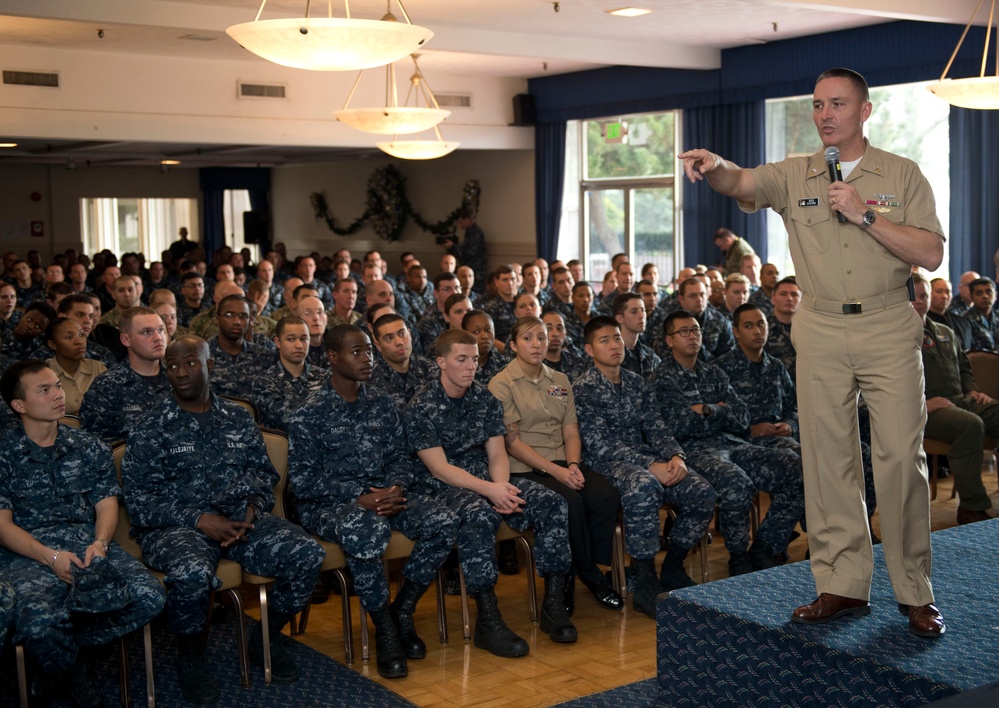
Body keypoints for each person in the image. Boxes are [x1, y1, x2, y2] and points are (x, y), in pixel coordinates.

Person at [680, 67, 945, 636]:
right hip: (821, 326)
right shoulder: (795, 172)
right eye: (819, 105)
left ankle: (913, 590)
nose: (825, 114)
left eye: (838, 104)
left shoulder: (901, 173)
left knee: (900, 457)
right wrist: (715, 165)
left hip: (887, 323)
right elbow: (742, 183)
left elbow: (930, 253)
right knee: (827, 458)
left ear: (864, 112)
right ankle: (842, 585)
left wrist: (865, 214)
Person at [122, 336, 324, 702]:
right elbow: (139, 502)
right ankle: (191, 656)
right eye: (173, 366)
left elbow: (265, 477)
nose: (181, 372)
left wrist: (250, 510)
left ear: (209, 366)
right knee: (191, 574)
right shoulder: (152, 426)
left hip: (241, 522)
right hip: (177, 527)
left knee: (307, 553)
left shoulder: (237, 417)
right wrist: (200, 519)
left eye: (191, 363)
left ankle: (264, 637)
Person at [287, 324, 458, 678]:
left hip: (386, 497)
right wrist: (359, 498)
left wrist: (395, 487)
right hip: (330, 506)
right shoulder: (309, 412)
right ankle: (385, 630)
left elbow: (400, 456)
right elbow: (303, 482)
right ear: (332, 358)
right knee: (365, 532)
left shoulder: (381, 402)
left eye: (368, 350)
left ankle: (402, 611)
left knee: (443, 521)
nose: (366, 358)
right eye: (356, 352)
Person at [0, 360, 165, 706]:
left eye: (58, 386)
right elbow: (3, 526)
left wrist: (100, 543)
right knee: (40, 624)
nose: (58, 395)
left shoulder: (88, 445)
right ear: (19, 405)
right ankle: (72, 678)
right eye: (44, 390)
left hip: (85, 540)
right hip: (27, 550)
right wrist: (51, 558)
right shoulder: (3, 452)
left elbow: (106, 505)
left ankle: (57, 658)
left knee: (149, 596)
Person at [404, 329, 575, 654]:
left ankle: (554, 604)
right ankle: (487, 618)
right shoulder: (422, 406)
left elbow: (497, 454)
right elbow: (439, 468)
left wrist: (501, 487)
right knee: (478, 514)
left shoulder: (483, 398)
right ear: (441, 362)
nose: (471, 366)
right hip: (440, 487)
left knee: (552, 502)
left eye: (475, 359)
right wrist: (491, 491)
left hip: (486, 479)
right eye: (461, 359)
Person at [573, 317, 716, 616]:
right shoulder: (584, 388)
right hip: (605, 464)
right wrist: (651, 464)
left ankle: (673, 565)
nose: (614, 345)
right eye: (604, 341)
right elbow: (600, 444)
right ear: (588, 349)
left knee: (702, 491)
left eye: (616, 338)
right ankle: (645, 578)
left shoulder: (637, 382)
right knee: (644, 486)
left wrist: (676, 457)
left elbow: (657, 427)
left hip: (645, 459)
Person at [651, 310, 804, 575]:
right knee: (737, 483)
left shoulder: (713, 373)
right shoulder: (663, 377)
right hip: (694, 450)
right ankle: (738, 557)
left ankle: (766, 546)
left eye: (696, 330)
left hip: (732, 443)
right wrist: (722, 412)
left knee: (798, 469)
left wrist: (709, 410)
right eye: (684, 332)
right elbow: (679, 424)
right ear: (669, 341)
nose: (692, 336)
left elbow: (742, 417)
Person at [488, 317, 623, 612]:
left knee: (605, 496)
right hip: (525, 466)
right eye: (527, 338)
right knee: (571, 502)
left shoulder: (560, 380)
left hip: (563, 459)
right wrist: (558, 471)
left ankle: (581, 568)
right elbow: (512, 442)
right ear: (512, 346)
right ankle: (588, 573)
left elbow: (571, 431)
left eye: (541, 337)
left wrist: (572, 464)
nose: (536, 344)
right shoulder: (501, 383)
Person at [911, 275, 997, 525]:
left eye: (924, 296)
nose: (919, 301)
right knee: (969, 425)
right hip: (926, 410)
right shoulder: (893, 336)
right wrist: (924, 404)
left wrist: (973, 390)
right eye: (913, 295)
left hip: (960, 401)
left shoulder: (946, 332)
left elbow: (965, 369)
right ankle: (972, 507)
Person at [80, 307, 170, 444]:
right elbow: (94, 441)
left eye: (161, 330)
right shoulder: (106, 385)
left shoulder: (180, 378)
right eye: (147, 332)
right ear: (126, 340)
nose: (158, 338)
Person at [250, 316, 328, 431]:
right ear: (278, 342)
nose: (299, 345)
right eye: (291, 339)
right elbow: (287, 420)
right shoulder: (264, 382)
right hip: (284, 447)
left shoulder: (326, 377)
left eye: (303, 339)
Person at [369, 313, 437, 411]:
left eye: (402, 334)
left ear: (409, 334)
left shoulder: (431, 369)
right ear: (378, 345)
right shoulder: (370, 379)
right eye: (389, 338)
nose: (399, 342)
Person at [44, 318, 108, 417]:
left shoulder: (98, 369)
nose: (79, 341)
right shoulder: (43, 374)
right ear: (52, 344)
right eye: (69, 337)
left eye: (81, 335)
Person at [444, 210, 487, 294]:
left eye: (461, 222)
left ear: (468, 219)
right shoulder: (469, 232)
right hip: (471, 267)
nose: (460, 225)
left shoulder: (475, 233)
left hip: (476, 269)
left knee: (474, 293)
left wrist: (453, 246)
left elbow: (470, 253)